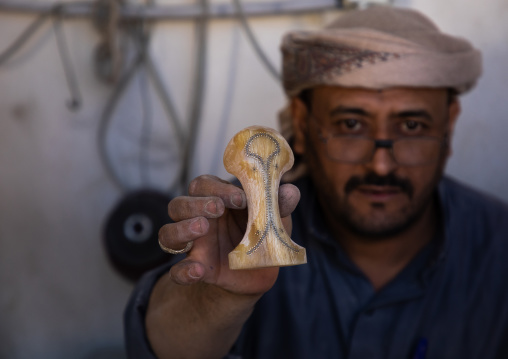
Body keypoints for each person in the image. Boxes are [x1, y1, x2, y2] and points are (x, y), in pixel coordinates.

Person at [124, 6, 508, 359]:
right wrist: (218, 299)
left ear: (449, 124)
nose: (381, 164)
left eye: (412, 126)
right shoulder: (243, 222)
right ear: (303, 126)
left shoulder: (498, 245)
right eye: (351, 125)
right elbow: (159, 344)